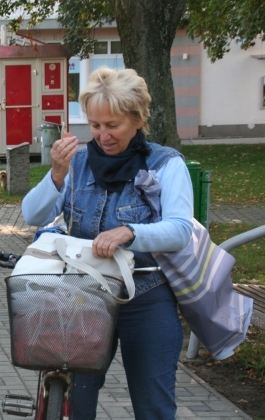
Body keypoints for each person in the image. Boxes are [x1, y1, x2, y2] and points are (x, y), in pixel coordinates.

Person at [21, 67, 194, 419]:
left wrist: (131, 232)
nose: (103, 135)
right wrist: (56, 173)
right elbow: (33, 214)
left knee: (154, 407)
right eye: (95, 125)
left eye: (112, 125)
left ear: (138, 118)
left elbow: (179, 230)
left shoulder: (164, 164)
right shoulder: (78, 162)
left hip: (146, 297)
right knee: (74, 404)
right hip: (82, 299)